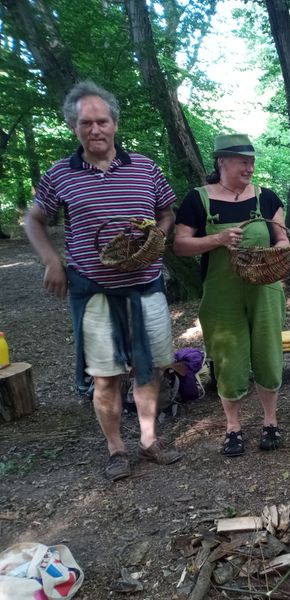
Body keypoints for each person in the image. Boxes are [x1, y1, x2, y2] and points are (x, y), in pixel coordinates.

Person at [24, 81, 183, 481]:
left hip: (146, 286)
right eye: (85, 123)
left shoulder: (144, 166)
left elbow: (167, 211)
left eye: (102, 121)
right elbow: (33, 220)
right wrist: (51, 261)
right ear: (73, 127)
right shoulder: (60, 174)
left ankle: (149, 441)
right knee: (105, 375)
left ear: (115, 124)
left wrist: (160, 235)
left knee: (149, 369)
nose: (95, 129)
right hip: (93, 291)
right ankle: (116, 449)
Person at [173, 134, 290, 457]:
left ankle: (270, 421)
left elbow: (282, 238)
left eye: (252, 162)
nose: (250, 168)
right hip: (221, 294)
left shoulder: (266, 198)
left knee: (268, 353)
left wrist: (280, 252)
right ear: (222, 162)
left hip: (264, 289)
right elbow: (180, 245)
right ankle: (233, 427)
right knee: (229, 359)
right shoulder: (198, 200)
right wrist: (218, 239)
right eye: (243, 162)